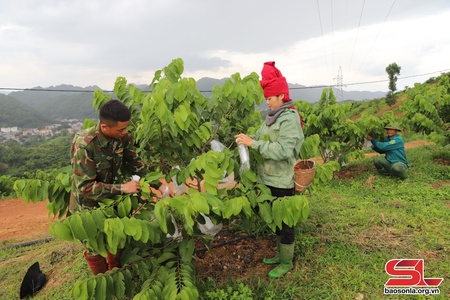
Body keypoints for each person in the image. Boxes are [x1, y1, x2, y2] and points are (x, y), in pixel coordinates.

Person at [235, 61, 304, 278]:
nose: (267, 102)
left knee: (285, 223)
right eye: (266, 98)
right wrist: (246, 139)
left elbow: (284, 150)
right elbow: (259, 137)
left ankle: (286, 261)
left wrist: (253, 144)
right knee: (275, 220)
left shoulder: (289, 119)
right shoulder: (270, 119)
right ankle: (279, 255)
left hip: (282, 180)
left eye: (270, 98)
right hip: (267, 179)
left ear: (282, 96)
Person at [70, 99, 153, 275]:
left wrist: (158, 183)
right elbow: (85, 188)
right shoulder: (84, 144)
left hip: (111, 201)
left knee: (115, 240)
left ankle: (116, 276)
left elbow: (135, 163)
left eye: (126, 128)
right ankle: (102, 281)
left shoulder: (122, 137)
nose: (125, 133)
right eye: (121, 129)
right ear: (105, 127)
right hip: (88, 207)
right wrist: (123, 188)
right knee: (95, 247)